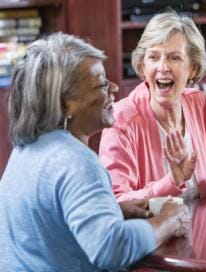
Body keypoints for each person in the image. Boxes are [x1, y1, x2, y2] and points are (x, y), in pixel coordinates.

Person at [0, 33, 190, 271]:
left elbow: (49, 224)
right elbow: (111, 248)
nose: (114, 87)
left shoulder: (26, 149)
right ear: (65, 103)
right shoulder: (76, 162)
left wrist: (115, 211)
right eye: (101, 84)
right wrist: (169, 221)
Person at [99, 11, 206, 202]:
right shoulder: (121, 119)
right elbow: (116, 201)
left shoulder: (200, 105)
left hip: (199, 230)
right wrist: (173, 181)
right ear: (143, 67)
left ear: (192, 67)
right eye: (153, 57)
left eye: (174, 57)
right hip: (153, 231)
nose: (163, 67)